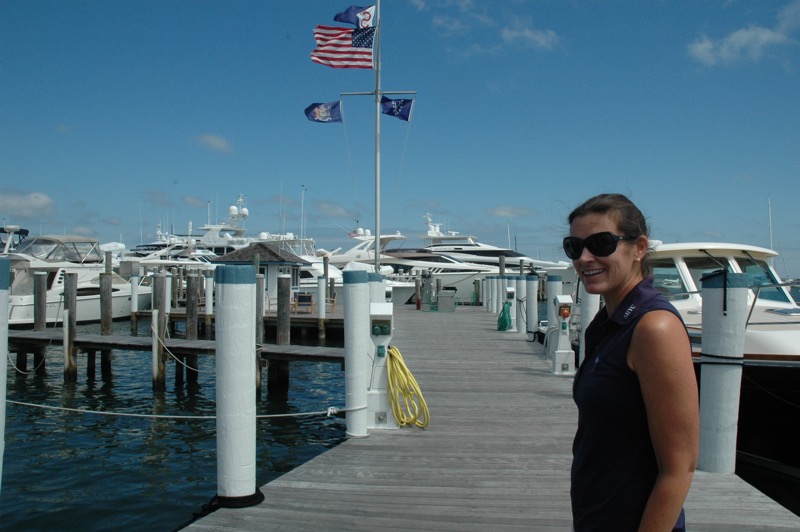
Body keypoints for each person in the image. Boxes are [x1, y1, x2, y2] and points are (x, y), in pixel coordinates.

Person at [566, 193, 699, 531]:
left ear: (639, 247)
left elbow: (679, 468)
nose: (584, 257)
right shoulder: (606, 324)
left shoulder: (655, 328)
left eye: (600, 243)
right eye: (574, 247)